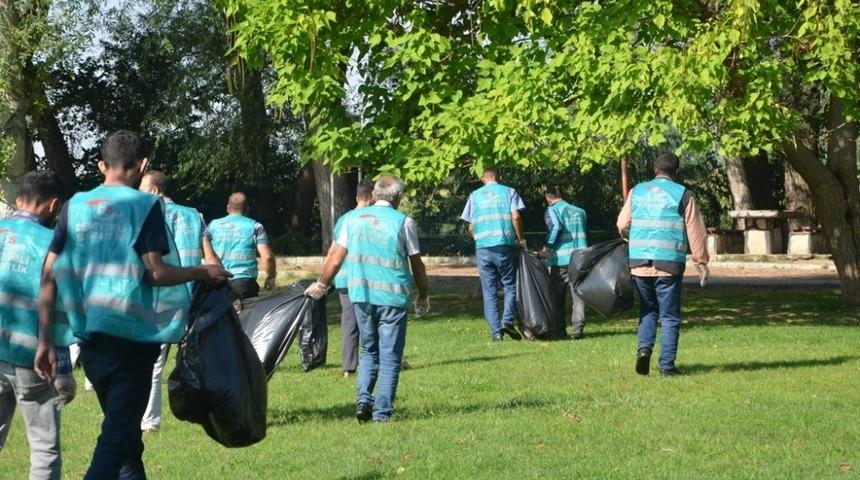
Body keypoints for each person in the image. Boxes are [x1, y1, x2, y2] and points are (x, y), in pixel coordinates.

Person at [35, 130, 230, 479]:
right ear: (142, 164)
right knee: (118, 438)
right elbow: (155, 272)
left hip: (91, 338)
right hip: (134, 341)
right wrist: (202, 271)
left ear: (100, 165)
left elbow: (48, 274)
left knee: (125, 437)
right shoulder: (145, 206)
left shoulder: (74, 206)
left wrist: (45, 341)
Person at [305, 175, 429, 423]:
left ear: (374, 195)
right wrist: (423, 295)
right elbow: (417, 264)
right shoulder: (404, 222)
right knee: (390, 355)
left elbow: (336, 258)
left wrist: (321, 284)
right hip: (393, 297)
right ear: (399, 197)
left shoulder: (352, 220)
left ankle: (363, 400)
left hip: (360, 294)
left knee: (368, 350)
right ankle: (382, 413)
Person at [0, 171, 73, 480]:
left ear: (19, 200)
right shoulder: (54, 245)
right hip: (33, 358)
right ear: (54, 205)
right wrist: (65, 373)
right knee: (43, 448)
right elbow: (58, 311)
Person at [138, 170, 222, 433]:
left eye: (141, 186)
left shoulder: (146, 213)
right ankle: (206, 409)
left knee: (154, 363)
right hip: (193, 294)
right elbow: (208, 254)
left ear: (153, 191)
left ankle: (150, 420)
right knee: (198, 358)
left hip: (162, 295)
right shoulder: (194, 214)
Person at [616, 152, 709, 377]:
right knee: (669, 316)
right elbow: (695, 231)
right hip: (669, 264)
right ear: (676, 172)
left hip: (639, 262)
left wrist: (633, 238)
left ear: (654, 170)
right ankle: (667, 366)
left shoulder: (637, 191)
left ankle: (644, 350)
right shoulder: (683, 194)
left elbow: (621, 224)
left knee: (648, 310)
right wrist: (701, 261)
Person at [460, 168, 526, 341]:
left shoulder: (474, 196)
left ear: (483, 179)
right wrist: (520, 239)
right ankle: (508, 320)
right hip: (504, 245)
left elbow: (470, 226)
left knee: (489, 291)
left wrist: (479, 240)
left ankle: (496, 333)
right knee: (510, 285)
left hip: (483, 248)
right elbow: (516, 217)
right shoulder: (509, 192)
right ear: (500, 177)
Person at [329, 180, 375, 378]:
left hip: (345, 278)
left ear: (357, 198)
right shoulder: (374, 219)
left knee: (349, 322)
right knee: (373, 320)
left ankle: (348, 367)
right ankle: (377, 360)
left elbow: (333, 250)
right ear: (374, 197)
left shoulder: (344, 220)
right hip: (367, 278)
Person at [208, 192, 276, 302]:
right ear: (247, 209)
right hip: (244, 283)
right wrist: (271, 277)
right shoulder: (255, 226)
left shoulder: (212, 226)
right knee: (246, 318)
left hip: (218, 281)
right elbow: (267, 257)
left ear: (227, 208)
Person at [540, 186, 589, 339]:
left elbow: (556, 228)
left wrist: (547, 248)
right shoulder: (580, 211)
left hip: (560, 259)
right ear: (562, 194)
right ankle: (578, 328)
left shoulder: (552, 210)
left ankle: (559, 330)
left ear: (548, 198)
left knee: (557, 296)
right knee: (578, 294)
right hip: (580, 258)